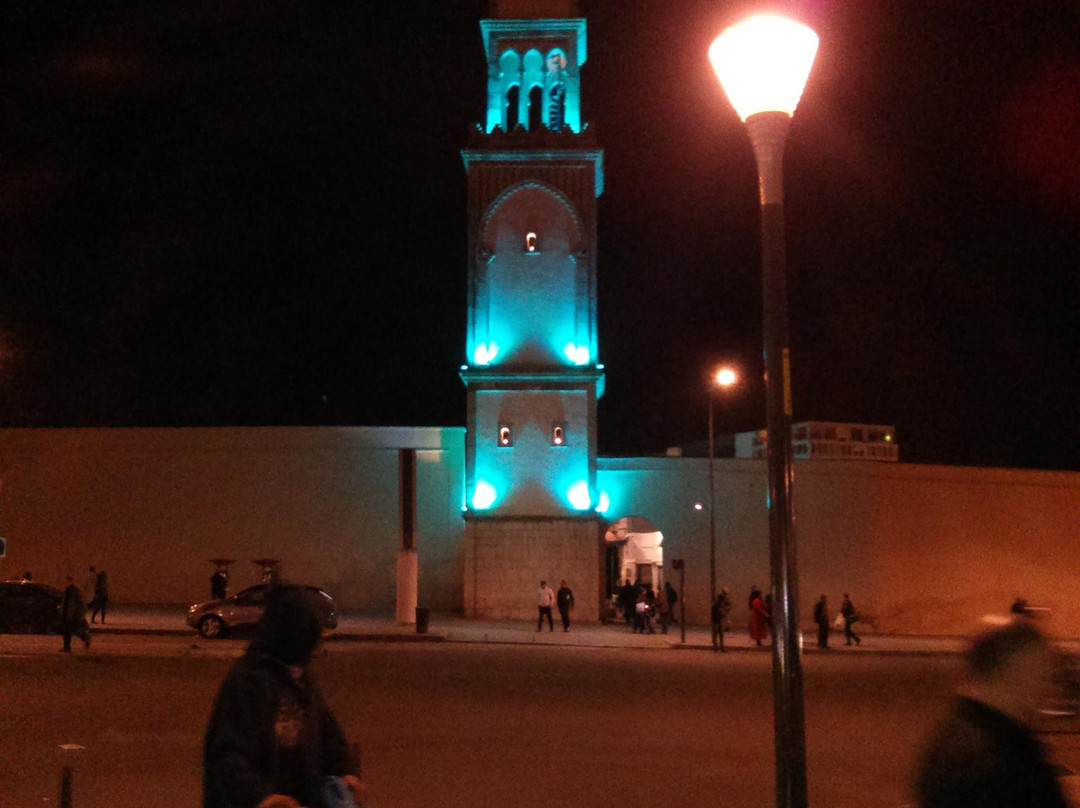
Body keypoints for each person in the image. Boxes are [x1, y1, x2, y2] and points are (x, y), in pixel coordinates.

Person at [203, 584, 364, 808]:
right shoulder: (249, 682)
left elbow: (326, 729)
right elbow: (229, 756)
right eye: (311, 640)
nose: (315, 651)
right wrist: (262, 797)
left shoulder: (300, 677)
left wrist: (344, 769)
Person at [913, 620, 1069, 808]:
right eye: (1044, 677)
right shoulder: (1003, 757)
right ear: (1017, 672)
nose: (1049, 691)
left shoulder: (956, 732)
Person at [60, 575, 91, 652]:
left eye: (66, 582)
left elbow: (77, 604)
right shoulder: (68, 591)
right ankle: (67, 647)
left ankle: (85, 638)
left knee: (73, 630)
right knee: (67, 632)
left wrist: (77, 614)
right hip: (68, 614)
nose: (64, 584)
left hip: (72, 615)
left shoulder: (74, 591)